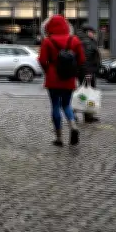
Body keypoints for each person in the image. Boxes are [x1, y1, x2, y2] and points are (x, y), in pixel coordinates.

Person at [38, 14, 85, 147]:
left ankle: (59, 138)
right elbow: (81, 60)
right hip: (69, 79)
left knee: (55, 106)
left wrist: (48, 70)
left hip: (53, 78)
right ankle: (73, 125)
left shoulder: (47, 41)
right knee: (67, 105)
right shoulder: (74, 40)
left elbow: (42, 60)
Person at [76, 24, 101, 123]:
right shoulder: (86, 42)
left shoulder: (86, 41)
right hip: (87, 72)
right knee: (86, 94)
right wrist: (88, 72)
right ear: (87, 32)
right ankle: (81, 115)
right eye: (92, 32)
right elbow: (85, 60)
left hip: (87, 72)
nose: (94, 34)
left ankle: (88, 115)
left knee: (86, 94)